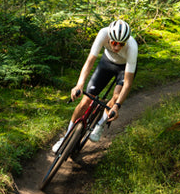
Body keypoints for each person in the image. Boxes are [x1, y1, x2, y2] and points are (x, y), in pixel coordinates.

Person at [53, 19, 137, 153]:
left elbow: (127, 83)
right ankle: (66, 136)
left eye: (121, 44)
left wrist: (117, 106)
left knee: (116, 96)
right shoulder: (103, 33)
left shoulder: (132, 47)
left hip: (123, 68)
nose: (116, 48)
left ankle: (101, 123)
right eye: (114, 43)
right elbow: (90, 61)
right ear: (109, 38)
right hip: (107, 63)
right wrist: (79, 84)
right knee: (86, 100)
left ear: (126, 42)